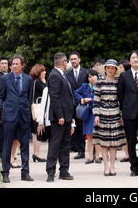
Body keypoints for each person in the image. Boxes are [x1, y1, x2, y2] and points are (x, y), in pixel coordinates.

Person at [0, 55, 34, 183]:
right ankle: (5, 173)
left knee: (25, 145)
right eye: (13, 64)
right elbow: (1, 96)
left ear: (23, 65)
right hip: (10, 116)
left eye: (17, 64)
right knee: (7, 144)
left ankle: (25, 172)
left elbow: (29, 98)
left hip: (24, 116)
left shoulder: (28, 79)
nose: (14, 66)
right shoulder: (5, 79)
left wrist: (27, 111)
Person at [117, 50, 138, 176]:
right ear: (129, 61)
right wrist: (125, 107)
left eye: (137, 58)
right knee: (130, 141)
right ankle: (133, 166)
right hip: (129, 113)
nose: (135, 59)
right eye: (133, 58)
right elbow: (120, 95)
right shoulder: (124, 76)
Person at [93, 59, 126, 176]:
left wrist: (122, 115)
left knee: (113, 143)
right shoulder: (99, 83)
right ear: (105, 69)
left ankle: (112, 166)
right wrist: (96, 114)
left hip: (115, 114)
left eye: (113, 68)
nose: (110, 70)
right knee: (104, 143)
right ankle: (105, 166)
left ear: (116, 70)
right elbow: (96, 99)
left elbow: (121, 100)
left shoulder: (119, 82)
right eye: (108, 68)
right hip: (102, 114)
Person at [46, 52, 75, 182]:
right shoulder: (54, 76)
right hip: (59, 117)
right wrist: (60, 116)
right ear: (63, 62)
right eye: (67, 61)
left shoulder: (62, 75)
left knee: (65, 144)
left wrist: (71, 117)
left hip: (67, 116)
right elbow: (55, 98)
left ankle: (64, 170)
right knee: (55, 144)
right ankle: (50, 171)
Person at [74, 69, 101, 164]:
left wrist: (90, 99)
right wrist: (81, 99)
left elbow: (102, 98)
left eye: (93, 76)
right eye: (89, 77)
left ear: (97, 76)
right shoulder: (85, 86)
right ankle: (90, 157)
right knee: (89, 136)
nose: (92, 78)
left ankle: (97, 157)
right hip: (88, 114)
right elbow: (76, 92)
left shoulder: (100, 86)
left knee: (97, 136)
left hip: (98, 114)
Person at [65, 51, 88, 159]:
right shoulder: (67, 74)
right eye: (71, 59)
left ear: (79, 59)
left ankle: (84, 149)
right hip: (72, 104)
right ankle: (79, 150)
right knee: (76, 128)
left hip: (84, 104)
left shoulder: (86, 72)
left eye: (75, 59)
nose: (73, 61)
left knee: (84, 128)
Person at [29, 63, 47, 162]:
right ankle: (37, 154)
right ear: (39, 72)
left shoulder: (32, 82)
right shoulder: (39, 83)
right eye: (43, 71)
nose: (45, 72)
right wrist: (44, 81)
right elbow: (47, 91)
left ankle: (36, 153)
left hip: (33, 110)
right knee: (38, 132)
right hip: (38, 110)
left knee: (35, 133)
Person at [117, 59, 131, 162]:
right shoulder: (117, 78)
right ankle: (127, 154)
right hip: (119, 108)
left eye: (121, 67)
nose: (119, 69)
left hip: (129, 108)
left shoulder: (129, 78)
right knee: (124, 133)